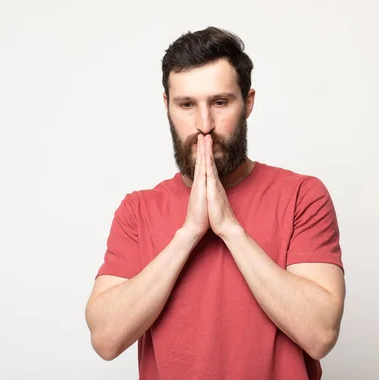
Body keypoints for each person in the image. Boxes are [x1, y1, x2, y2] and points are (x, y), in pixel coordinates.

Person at [85, 26, 346, 380]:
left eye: (220, 102)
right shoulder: (138, 210)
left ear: (248, 103)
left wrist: (230, 229)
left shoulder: (302, 195)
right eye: (187, 105)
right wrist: (189, 232)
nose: (204, 125)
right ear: (167, 106)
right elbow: (105, 339)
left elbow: (320, 335)